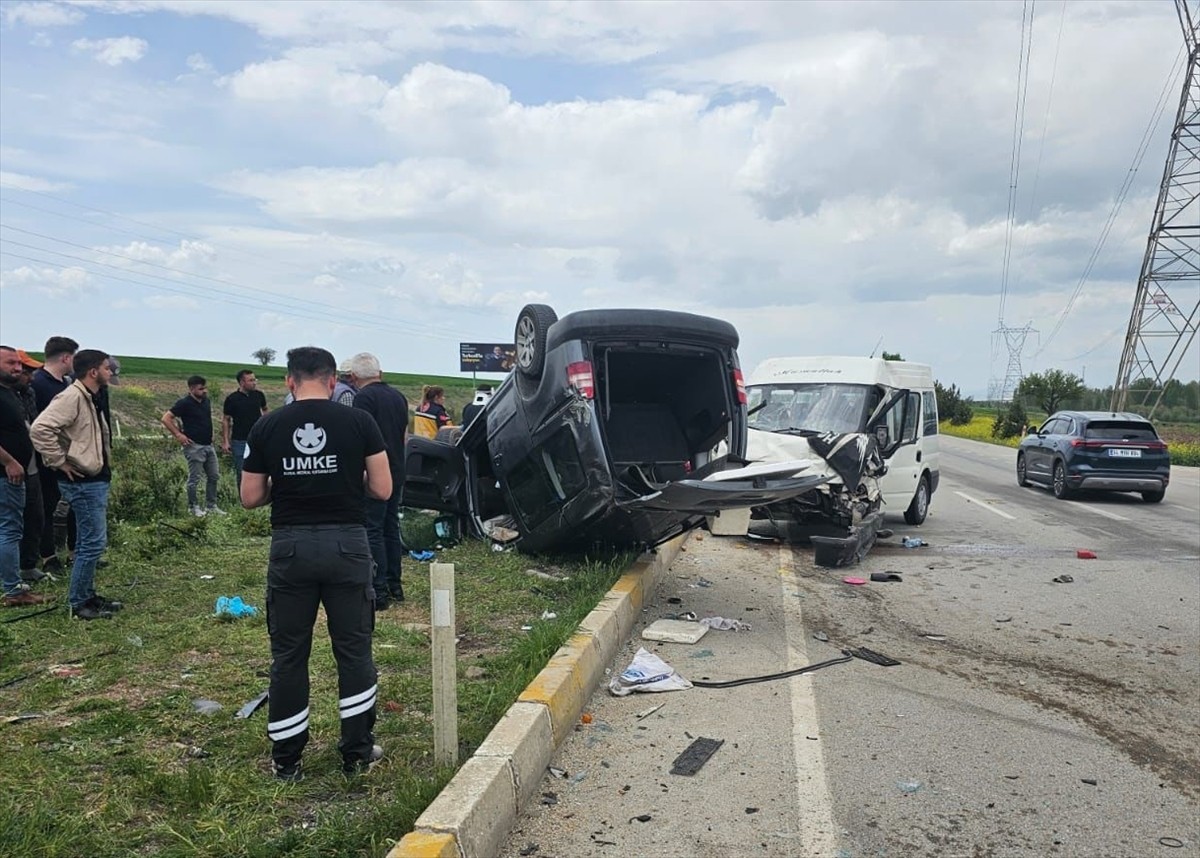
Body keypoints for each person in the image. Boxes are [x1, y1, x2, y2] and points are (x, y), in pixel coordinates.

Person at [241, 346, 391, 781]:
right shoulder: (360, 421)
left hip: (290, 549)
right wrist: (344, 477)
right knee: (354, 650)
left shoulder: (267, 425)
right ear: (331, 382)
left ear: (289, 381)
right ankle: (357, 753)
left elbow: (250, 497)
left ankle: (287, 761)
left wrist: (283, 483)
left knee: (288, 655)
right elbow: (381, 489)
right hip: (347, 545)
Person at [29, 349, 120, 620]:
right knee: (91, 543)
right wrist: (59, 461)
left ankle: (88, 595)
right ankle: (79, 602)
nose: (110, 372)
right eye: (106, 368)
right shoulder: (71, 397)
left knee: (90, 541)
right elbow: (40, 429)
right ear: (93, 371)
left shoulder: (87, 396)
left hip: (93, 478)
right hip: (84, 481)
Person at [348, 353, 408, 608]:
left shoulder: (363, 398)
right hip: (397, 468)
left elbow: (360, 436)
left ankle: (379, 591)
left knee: (373, 528)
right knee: (391, 527)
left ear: (353, 377)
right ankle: (396, 585)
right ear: (379, 373)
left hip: (374, 471)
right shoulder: (398, 396)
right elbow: (404, 435)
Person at [0, 346, 50, 608]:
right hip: (8, 475)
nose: (17, 368)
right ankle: (13, 591)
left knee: (9, 528)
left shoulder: (9, 393)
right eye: (10, 363)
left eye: (18, 364)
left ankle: (11, 582)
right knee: (10, 529)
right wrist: (9, 461)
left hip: (16, 472)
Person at [31, 335, 77, 575]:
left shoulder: (66, 384)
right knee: (47, 508)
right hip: (46, 460)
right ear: (66, 357)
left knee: (73, 506)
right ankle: (49, 557)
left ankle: (74, 553)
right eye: (73, 358)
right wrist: (54, 457)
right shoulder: (38, 383)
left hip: (68, 457)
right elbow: (36, 425)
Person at [161, 375, 224, 517]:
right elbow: (166, 418)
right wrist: (178, 434)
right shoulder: (184, 403)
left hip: (208, 445)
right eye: (201, 389)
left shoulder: (206, 401)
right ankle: (193, 506)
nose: (205, 391)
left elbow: (207, 419)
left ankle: (211, 506)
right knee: (195, 478)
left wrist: (212, 434)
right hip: (194, 445)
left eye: (205, 388)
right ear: (191, 389)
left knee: (214, 476)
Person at [14, 350, 47, 584]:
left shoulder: (28, 393)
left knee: (35, 516)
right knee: (10, 521)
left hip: (32, 466)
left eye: (31, 372)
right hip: (10, 469)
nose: (30, 376)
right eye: (27, 372)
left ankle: (28, 565)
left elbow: (35, 426)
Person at [222, 369, 269, 489]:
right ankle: (244, 500)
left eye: (255, 379)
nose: (254, 383)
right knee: (241, 471)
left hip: (257, 439)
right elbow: (226, 419)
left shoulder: (259, 395)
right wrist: (226, 441)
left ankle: (260, 496)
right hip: (239, 441)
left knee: (262, 469)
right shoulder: (232, 399)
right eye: (251, 380)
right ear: (242, 383)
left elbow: (265, 410)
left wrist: (266, 426)